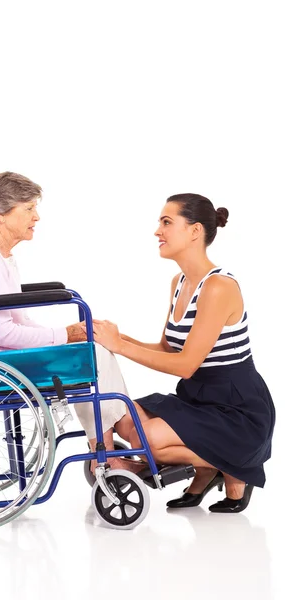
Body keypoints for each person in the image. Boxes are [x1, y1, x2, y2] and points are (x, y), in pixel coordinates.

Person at [90, 193, 275, 513]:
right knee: (123, 421)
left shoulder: (219, 287)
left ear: (194, 231)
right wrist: (114, 339)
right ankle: (207, 467)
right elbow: (166, 349)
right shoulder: (180, 282)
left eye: (166, 222)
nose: (157, 231)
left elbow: (186, 364)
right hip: (198, 397)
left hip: (236, 408)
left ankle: (231, 467)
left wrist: (120, 346)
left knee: (145, 439)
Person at [0, 171, 140, 472]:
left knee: (90, 346)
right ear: (0, 213)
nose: (36, 217)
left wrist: (67, 335)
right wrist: (63, 335)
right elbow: (2, 332)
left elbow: (18, 320)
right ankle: (108, 455)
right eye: (28, 209)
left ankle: (106, 446)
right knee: (94, 356)